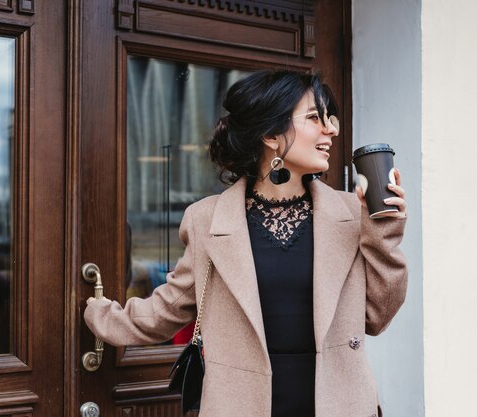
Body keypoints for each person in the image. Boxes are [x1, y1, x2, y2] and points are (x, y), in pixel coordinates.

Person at [84, 70, 408, 417]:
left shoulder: (349, 213)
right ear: (270, 134)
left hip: (338, 403)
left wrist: (383, 230)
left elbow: (377, 317)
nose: (330, 130)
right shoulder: (207, 219)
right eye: (315, 118)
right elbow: (169, 307)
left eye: (329, 118)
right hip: (242, 404)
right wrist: (96, 314)